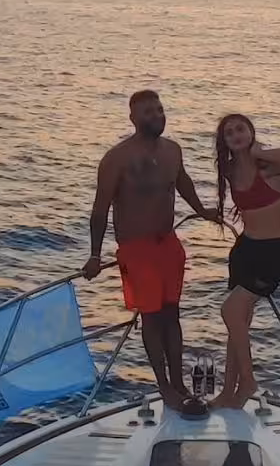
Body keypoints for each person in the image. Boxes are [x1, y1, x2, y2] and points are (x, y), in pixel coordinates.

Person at [83, 89, 219, 418]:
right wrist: (95, 255)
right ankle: (164, 386)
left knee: (172, 314)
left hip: (168, 244)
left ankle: (178, 381)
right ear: (132, 117)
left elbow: (182, 180)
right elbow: (100, 210)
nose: (156, 116)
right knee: (152, 317)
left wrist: (201, 210)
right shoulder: (116, 158)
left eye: (159, 110)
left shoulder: (173, 150)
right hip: (136, 249)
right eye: (147, 112)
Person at [208, 113, 280, 411]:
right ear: (224, 141)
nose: (236, 134)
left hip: (274, 252)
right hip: (246, 249)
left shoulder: (266, 164)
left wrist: (258, 150)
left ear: (250, 132)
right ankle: (228, 392)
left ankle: (248, 382)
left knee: (230, 311)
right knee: (238, 322)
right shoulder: (231, 170)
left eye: (240, 128)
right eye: (229, 132)